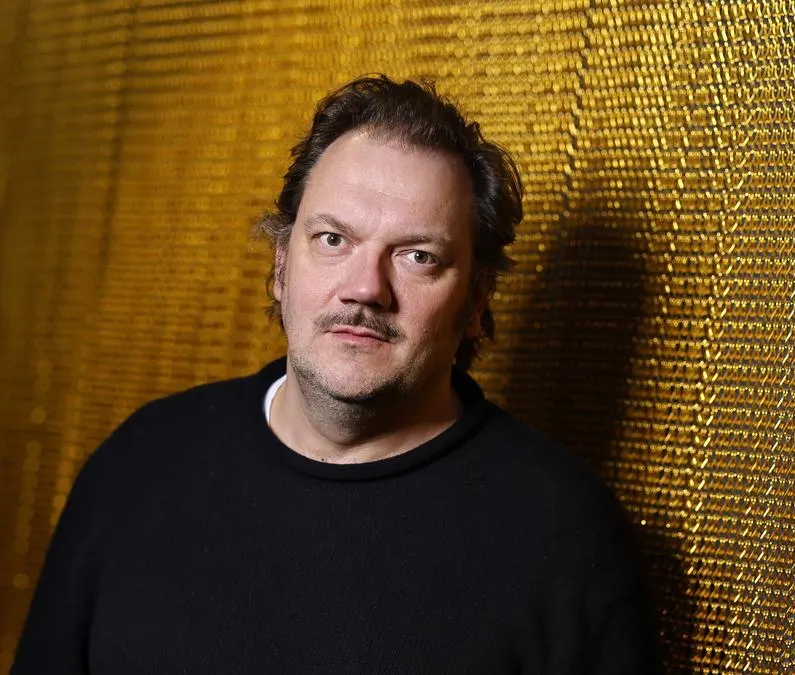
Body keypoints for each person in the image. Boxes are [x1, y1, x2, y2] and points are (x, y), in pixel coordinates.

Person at [13, 75, 659, 674]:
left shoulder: (565, 537)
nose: (365, 287)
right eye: (333, 239)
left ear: (476, 301)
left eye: (417, 256)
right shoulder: (140, 462)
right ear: (280, 264)